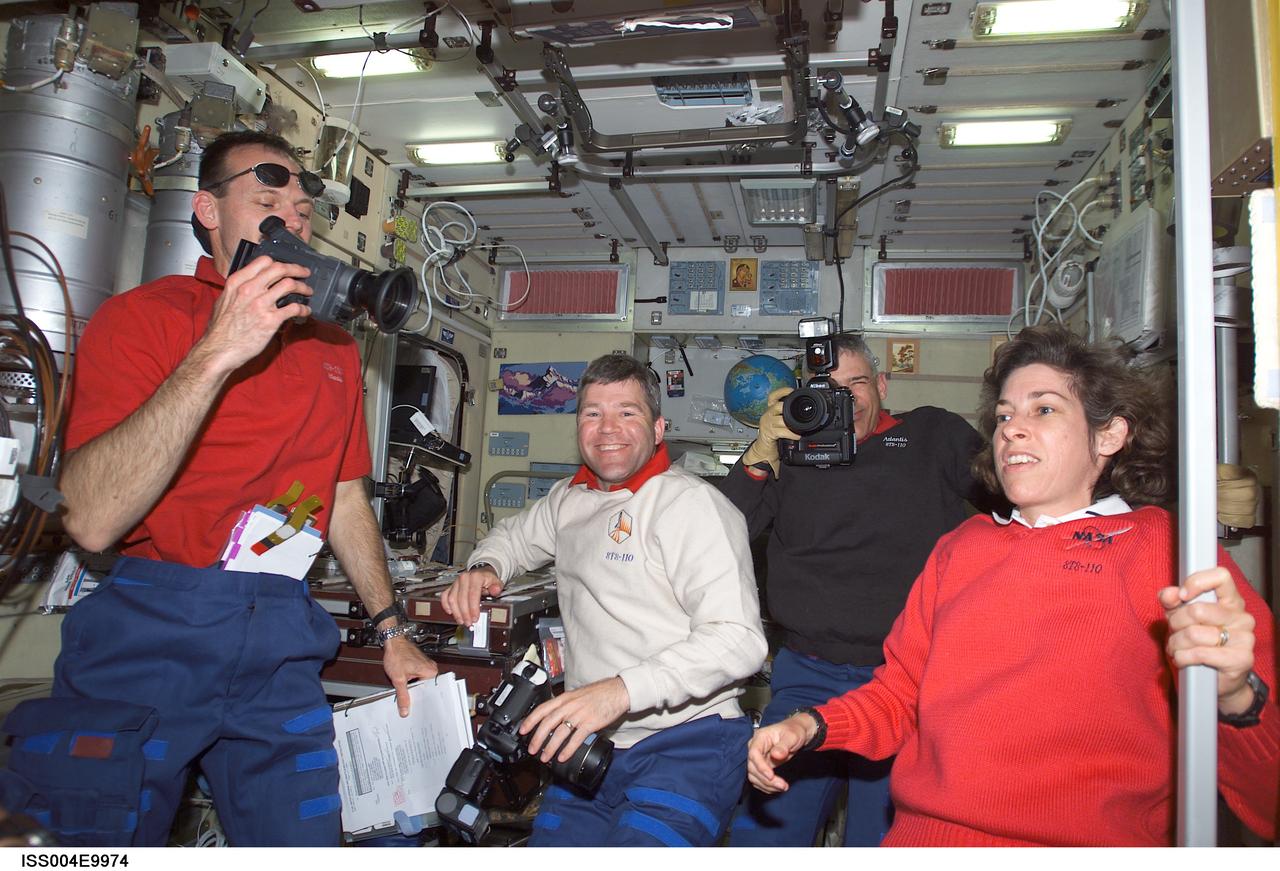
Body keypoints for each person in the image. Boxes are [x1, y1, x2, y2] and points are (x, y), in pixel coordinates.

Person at [0, 131, 437, 847]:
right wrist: (219, 349)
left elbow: (344, 496)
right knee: (87, 850)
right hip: (153, 624)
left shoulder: (333, 348)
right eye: (267, 204)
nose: (291, 222)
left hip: (280, 637)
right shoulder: (142, 318)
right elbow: (90, 521)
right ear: (208, 211)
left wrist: (392, 630)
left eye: (301, 213)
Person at [746, 325, 1278, 846]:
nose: (1011, 429)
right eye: (1004, 415)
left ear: (1110, 434)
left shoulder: (1163, 551)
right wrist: (808, 726)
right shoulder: (962, 548)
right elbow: (901, 696)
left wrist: (1235, 697)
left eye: (1043, 409)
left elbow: (1267, 801)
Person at [441, 354, 767, 847]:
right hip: (590, 745)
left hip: (687, 743)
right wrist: (484, 567)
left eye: (627, 412)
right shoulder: (569, 499)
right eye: (593, 413)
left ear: (658, 429)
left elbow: (740, 641)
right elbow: (513, 539)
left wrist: (620, 691)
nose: (608, 428)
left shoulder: (693, 506)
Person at [723, 332, 992, 846]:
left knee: (882, 838)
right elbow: (721, 533)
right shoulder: (792, 452)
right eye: (829, 388)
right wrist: (760, 454)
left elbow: (1013, 494)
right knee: (765, 834)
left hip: (908, 678)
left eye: (857, 383)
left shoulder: (932, 435)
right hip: (806, 672)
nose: (845, 399)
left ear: (882, 385)